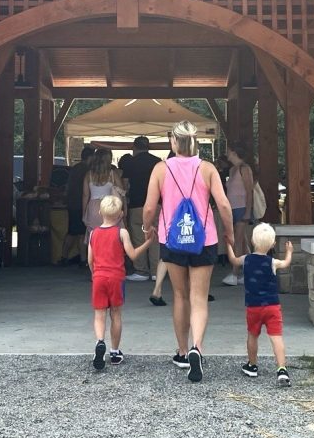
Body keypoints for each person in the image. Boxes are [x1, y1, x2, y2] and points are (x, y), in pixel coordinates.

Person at [142, 120, 233, 382]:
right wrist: (231, 232)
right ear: (196, 142)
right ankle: (197, 348)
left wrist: (148, 228)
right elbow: (224, 205)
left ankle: (182, 352)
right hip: (204, 240)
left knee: (180, 296)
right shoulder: (208, 168)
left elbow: (149, 207)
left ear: (173, 142)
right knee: (199, 298)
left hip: (172, 240)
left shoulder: (160, 169)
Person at [88, 194, 153, 369]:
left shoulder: (93, 233)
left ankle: (100, 342)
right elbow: (132, 255)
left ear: (100, 212)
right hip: (116, 278)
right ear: (121, 214)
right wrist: (148, 242)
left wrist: (95, 273)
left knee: (99, 314)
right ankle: (115, 352)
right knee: (116, 314)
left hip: (99, 277)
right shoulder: (121, 232)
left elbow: (90, 259)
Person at [227, 223, 293, 386]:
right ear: (272, 244)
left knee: (252, 335)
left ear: (252, 241)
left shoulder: (246, 259)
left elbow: (233, 260)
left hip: (253, 307)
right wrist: (289, 252)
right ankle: (282, 370)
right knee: (276, 337)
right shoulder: (272, 262)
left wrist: (229, 246)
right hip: (272, 307)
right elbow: (286, 263)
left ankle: (252, 365)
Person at [121, 136, 161, 282]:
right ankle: (156, 270)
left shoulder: (130, 163)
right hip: (156, 203)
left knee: (139, 236)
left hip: (137, 203)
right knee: (155, 236)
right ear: (148, 147)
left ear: (134, 147)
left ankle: (141, 270)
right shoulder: (158, 161)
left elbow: (125, 185)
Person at [222, 142, 256, 286]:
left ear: (234, 153)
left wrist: (248, 211)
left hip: (242, 208)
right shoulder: (233, 170)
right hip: (233, 208)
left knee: (238, 240)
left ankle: (235, 273)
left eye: (229, 151)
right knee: (242, 242)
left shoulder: (245, 169)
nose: (227, 154)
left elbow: (249, 191)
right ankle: (250, 271)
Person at [60, 145, 94, 266]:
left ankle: (64, 257)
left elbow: (68, 187)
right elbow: (86, 191)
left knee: (72, 232)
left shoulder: (75, 168)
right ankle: (83, 260)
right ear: (90, 157)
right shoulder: (87, 171)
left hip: (72, 203)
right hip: (81, 204)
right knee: (81, 233)